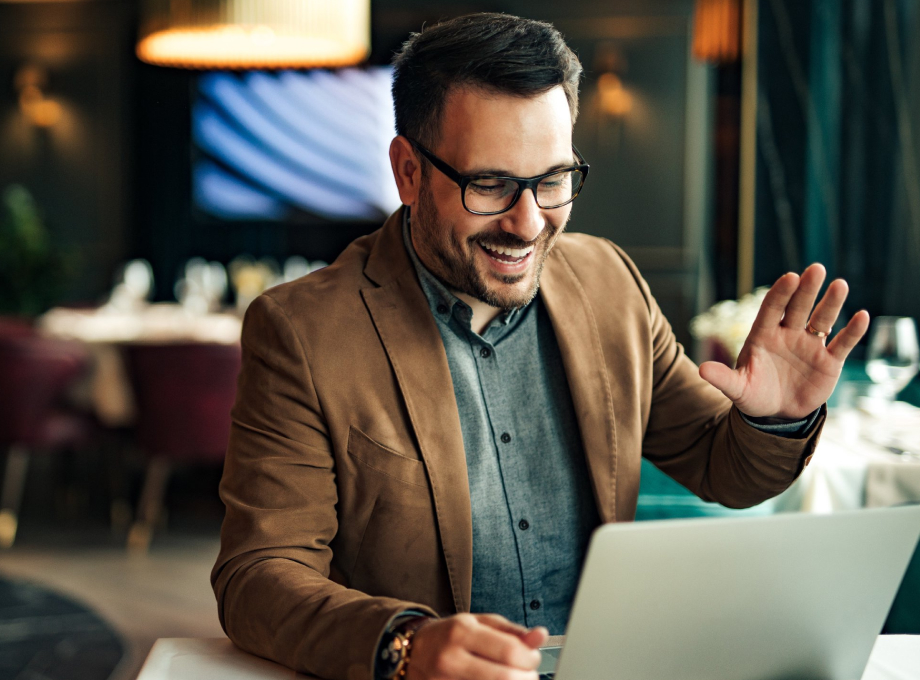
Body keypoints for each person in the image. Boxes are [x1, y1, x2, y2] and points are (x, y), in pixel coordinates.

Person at [211, 12, 869, 680]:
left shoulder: (609, 282)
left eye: (552, 180)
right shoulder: (301, 331)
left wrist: (774, 419)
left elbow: (722, 467)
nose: (528, 224)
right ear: (409, 172)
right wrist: (406, 645)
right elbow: (258, 577)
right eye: (489, 184)